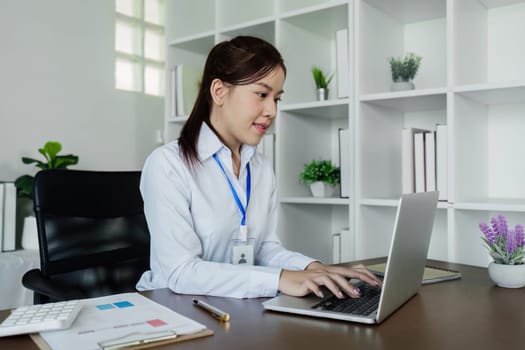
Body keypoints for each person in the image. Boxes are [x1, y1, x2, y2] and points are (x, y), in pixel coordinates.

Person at [136, 36, 381, 299]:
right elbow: (180, 272)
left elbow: (264, 249)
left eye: (277, 99)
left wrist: (314, 269)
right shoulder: (167, 165)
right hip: (175, 309)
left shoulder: (260, 167)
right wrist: (279, 279)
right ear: (219, 91)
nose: (271, 111)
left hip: (234, 308)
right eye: (262, 95)